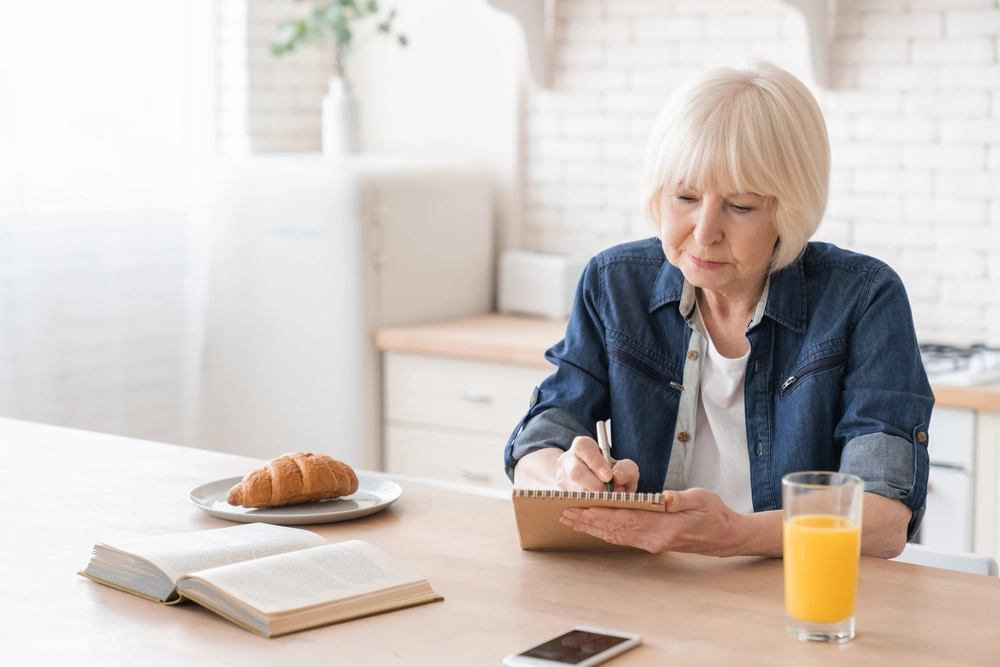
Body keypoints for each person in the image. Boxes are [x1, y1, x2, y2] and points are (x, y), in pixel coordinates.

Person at [503, 60, 933, 559]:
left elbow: (884, 519)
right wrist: (567, 475)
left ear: (789, 210)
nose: (703, 233)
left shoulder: (864, 298)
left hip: (796, 593)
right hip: (650, 587)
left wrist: (733, 535)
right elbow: (542, 435)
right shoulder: (613, 283)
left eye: (742, 206)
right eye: (685, 196)